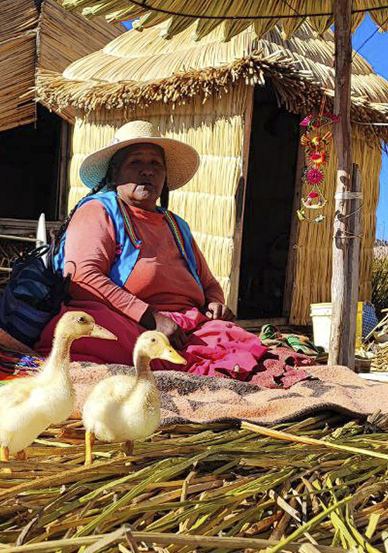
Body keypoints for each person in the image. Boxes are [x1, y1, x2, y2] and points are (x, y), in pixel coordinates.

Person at [33, 121, 291, 379]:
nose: (148, 171)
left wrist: (214, 303)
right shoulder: (98, 211)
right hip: (124, 321)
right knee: (88, 331)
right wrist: (151, 318)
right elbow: (82, 278)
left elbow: (208, 283)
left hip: (184, 328)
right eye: (136, 162)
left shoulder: (177, 226)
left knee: (242, 345)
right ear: (114, 173)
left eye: (156, 164)